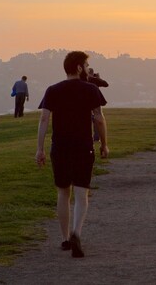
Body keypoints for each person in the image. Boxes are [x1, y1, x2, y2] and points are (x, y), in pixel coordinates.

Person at [36, 51, 109, 259]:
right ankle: (77, 232)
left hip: (59, 147)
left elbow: (44, 119)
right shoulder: (90, 90)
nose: (88, 69)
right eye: (86, 65)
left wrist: (39, 149)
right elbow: (99, 119)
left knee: (62, 192)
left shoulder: (53, 90)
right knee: (81, 193)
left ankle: (65, 238)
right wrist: (104, 144)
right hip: (83, 147)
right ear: (78, 67)